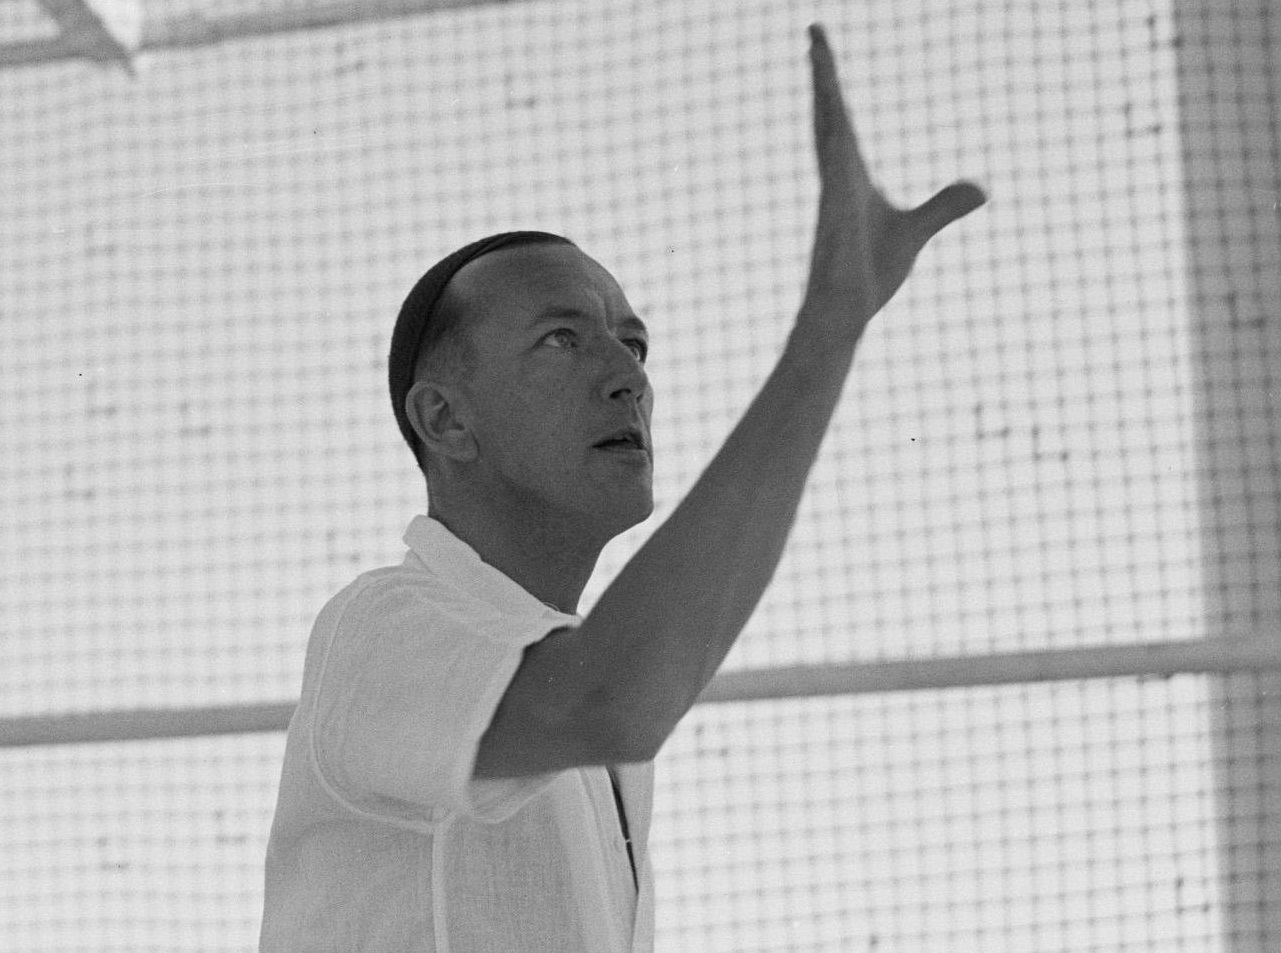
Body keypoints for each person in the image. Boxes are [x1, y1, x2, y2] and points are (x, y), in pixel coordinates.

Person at [259, 23, 986, 953]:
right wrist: (828, 327)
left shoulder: (573, 687)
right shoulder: (379, 627)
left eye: (632, 341)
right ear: (444, 419)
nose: (626, 373)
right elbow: (614, 698)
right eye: (561, 338)